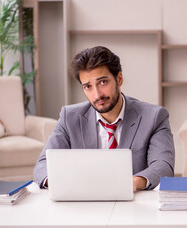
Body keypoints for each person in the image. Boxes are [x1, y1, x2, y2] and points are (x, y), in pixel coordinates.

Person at [33, 46, 175, 191]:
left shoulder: (154, 117)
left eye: (102, 82)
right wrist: (61, 183)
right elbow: (42, 165)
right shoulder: (69, 117)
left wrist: (133, 183)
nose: (97, 95)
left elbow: (163, 166)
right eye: (88, 86)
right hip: (83, 201)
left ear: (119, 79)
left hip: (132, 201)